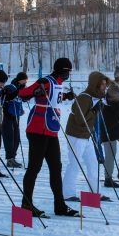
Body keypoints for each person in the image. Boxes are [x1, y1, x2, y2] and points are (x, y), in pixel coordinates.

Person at [17, 57, 79, 218]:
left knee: (56, 167)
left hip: (51, 130)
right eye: (67, 72)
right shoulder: (45, 81)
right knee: (34, 168)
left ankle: (60, 205)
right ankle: (26, 204)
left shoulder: (57, 83)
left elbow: (53, 97)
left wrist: (66, 96)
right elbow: (23, 94)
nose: (68, 75)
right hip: (37, 129)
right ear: (61, 71)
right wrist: (35, 92)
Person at [62, 71, 110, 200]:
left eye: (106, 84)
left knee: (93, 163)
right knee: (75, 163)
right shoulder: (84, 97)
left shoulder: (94, 98)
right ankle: (68, 193)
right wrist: (94, 111)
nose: (105, 87)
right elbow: (80, 118)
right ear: (95, 84)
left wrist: (97, 108)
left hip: (86, 135)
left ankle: (95, 193)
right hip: (76, 134)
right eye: (102, 84)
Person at [2, 71, 28, 168]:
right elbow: (8, 97)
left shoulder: (21, 88)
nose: (25, 82)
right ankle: (9, 159)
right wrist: (19, 90)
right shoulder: (10, 87)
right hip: (7, 115)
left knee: (16, 138)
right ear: (20, 79)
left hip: (15, 115)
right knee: (9, 137)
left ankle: (13, 158)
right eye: (24, 80)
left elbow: (24, 99)